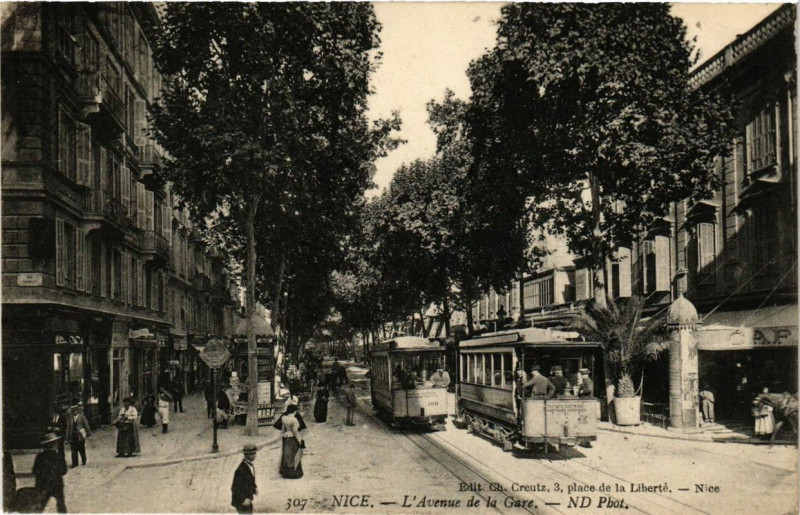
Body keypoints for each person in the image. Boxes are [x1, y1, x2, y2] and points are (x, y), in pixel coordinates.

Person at [32, 432, 67, 513]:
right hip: (57, 484)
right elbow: (63, 470)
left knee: (40, 505)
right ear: (54, 444)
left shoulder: (40, 456)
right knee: (61, 504)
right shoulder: (58, 456)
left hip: (43, 485)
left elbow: (35, 470)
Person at [231, 443, 258, 513]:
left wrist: (254, 487)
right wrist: (242, 500)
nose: (254, 455)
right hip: (241, 502)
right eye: (251, 454)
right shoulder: (240, 470)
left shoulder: (249, 465)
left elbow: (250, 479)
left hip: (248, 500)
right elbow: (235, 487)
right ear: (246, 455)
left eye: (254, 453)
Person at [279, 404, 304, 479]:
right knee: (294, 455)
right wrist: (299, 440)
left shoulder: (284, 418)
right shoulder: (294, 420)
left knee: (287, 455)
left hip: (286, 438)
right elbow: (295, 431)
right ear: (294, 411)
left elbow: (283, 430)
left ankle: (286, 472)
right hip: (292, 439)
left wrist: (284, 435)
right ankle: (293, 473)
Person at [65, 402, 91, 468]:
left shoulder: (82, 417)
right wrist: (67, 438)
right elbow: (68, 428)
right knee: (73, 450)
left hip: (80, 436)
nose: (74, 412)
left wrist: (87, 434)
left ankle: (84, 460)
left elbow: (86, 425)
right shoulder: (70, 418)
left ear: (77, 411)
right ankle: (74, 463)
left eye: (75, 411)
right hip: (73, 436)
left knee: (81, 448)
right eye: (72, 411)